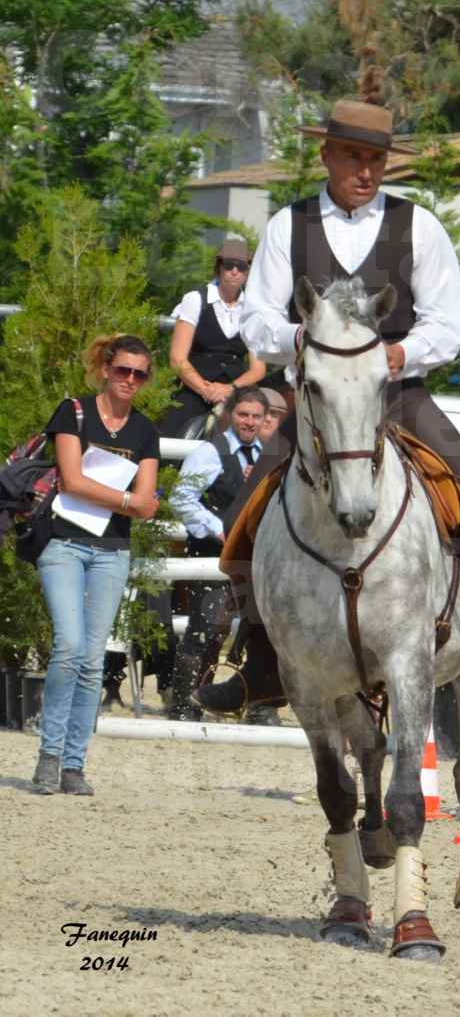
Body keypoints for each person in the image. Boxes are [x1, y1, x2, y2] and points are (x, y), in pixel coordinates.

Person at [191, 98, 460, 719]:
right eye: (354, 156)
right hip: (314, 401)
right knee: (247, 509)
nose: (366, 170)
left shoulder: (419, 226)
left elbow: (449, 324)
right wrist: (301, 341)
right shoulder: (289, 225)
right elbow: (255, 319)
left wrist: (399, 354)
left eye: (376, 159)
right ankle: (257, 656)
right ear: (327, 155)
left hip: (397, 395)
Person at [31, 335, 160, 795]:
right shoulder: (74, 412)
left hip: (112, 551)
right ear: (106, 369)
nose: (130, 379)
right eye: (123, 370)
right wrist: (128, 498)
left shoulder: (144, 430)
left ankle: (73, 762)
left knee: (91, 658)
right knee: (68, 646)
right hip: (64, 543)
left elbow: (149, 506)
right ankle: (49, 753)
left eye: (139, 373)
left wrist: (121, 498)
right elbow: (70, 481)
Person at [168, 387, 267, 720]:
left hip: (254, 561)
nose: (249, 422)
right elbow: (181, 497)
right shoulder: (210, 452)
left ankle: (254, 706)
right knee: (207, 629)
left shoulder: (266, 455)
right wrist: (218, 528)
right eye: (243, 414)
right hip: (213, 554)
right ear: (230, 415)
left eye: (255, 416)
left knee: (258, 632)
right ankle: (184, 706)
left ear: (264, 419)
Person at [158, 239, 265, 437]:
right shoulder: (195, 299)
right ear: (219, 268)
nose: (235, 271)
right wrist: (205, 390)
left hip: (237, 391)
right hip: (194, 389)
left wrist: (229, 389)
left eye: (241, 267)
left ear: (248, 272)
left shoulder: (254, 308)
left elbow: (258, 369)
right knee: (170, 436)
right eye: (229, 265)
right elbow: (177, 359)